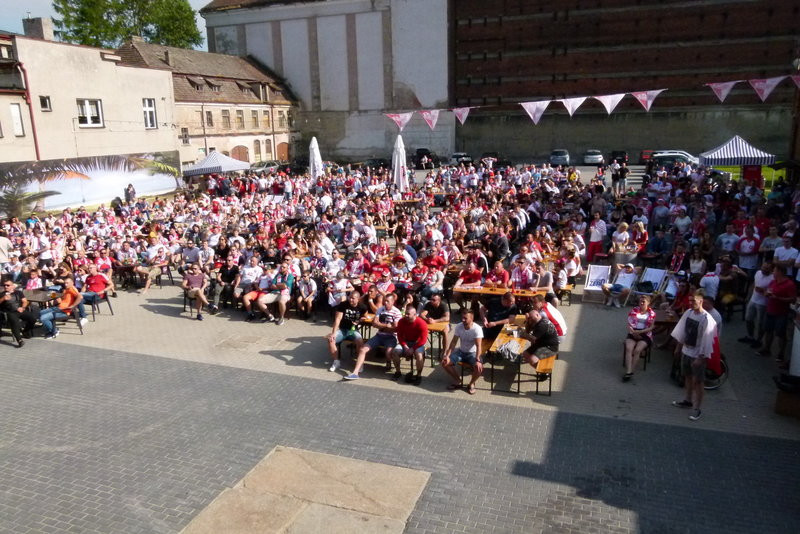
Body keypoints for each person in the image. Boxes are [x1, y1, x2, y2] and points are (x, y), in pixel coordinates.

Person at [670, 290, 717, 421]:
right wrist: (679, 347)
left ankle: (697, 408)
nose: (690, 303)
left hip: (697, 354)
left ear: (701, 301)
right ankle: (688, 400)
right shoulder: (689, 313)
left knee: (698, 381)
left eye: (693, 301)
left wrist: (700, 358)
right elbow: (682, 331)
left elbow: (707, 341)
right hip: (687, 350)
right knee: (688, 377)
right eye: (690, 301)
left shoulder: (707, 319)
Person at [345, 293, 402, 380]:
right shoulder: (380, 309)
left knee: (388, 353)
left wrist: (382, 325)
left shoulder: (397, 312)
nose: (385, 303)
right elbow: (374, 324)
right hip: (379, 336)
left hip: (391, 337)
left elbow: (395, 329)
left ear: (393, 302)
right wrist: (387, 326)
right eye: (384, 301)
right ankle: (355, 372)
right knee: (362, 349)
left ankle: (389, 362)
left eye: (387, 301)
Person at [757, 264, 796, 362]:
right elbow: (769, 292)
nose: (773, 273)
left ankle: (781, 354)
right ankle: (767, 349)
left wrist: (778, 298)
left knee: (780, 334)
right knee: (768, 330)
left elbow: (793, 299)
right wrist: (765, 293)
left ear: (780, 272)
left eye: (774, 271)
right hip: (770, 310)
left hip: (781, 313)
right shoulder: (773, 282)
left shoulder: (789, 284)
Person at [441, 310, 484, 394]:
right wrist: (447, 355)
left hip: (473, 353)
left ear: (472, 318)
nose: (463, 320)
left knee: (479, 368)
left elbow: (479, 346)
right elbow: (453, 343)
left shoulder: (477, 329)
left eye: (465, 318)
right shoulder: (459, 326)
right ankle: (458, 381)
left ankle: (471, 383)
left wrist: (478, 360)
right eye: (462, 318)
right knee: (444, 363)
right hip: (461, 351)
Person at [327, 290, 365, 373]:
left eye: (353, 298)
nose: (350, 300)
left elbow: (365, 316)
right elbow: (338, 319)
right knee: (331, 340)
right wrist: (333, 333)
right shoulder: (343, 305)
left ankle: (360, 363)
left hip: (353, 330)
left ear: (358, 299)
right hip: (343, 330)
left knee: (360, 341)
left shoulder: (362, 307)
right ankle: (336, 361)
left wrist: (359, 321)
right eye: (350, 298)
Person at [739, 261, 773, 349]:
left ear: (771, 269)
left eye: (766, 268)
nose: (764, 269)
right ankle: (750, 336)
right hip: (753, 299)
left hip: (763, 303)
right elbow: (753, 284)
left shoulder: (772, 278)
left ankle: (759, 340)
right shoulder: (758, 273)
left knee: (760, 323)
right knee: (748, 319)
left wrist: (763, 291)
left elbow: (771, 292)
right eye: (763, 267)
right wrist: (748, 296)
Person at [392, 304, 429, 384]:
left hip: (417, 343)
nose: (406, 315)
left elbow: (423, 340)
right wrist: (405, 346)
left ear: (415, 315)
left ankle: (419, 375)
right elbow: (400, 336)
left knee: (419, 355)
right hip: (406, 342)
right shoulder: (401, 321)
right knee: (395, 352)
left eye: (408, 314)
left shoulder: (421, 323)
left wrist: (413, 348)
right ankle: (398, 372)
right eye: (406, 313)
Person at [622, 295, 656, 381]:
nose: (641, 303)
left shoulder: (652, 314)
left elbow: (651, 327)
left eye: (643, 301)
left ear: (648, 303)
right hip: (633, 331)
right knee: (629, 348)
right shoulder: (634, 310)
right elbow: (629, 324)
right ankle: (629, 371)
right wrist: (634, 332)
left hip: (645, 333)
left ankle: (631, 370)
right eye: (640, 301)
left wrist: (640, 332)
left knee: (637, 350)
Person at [519, 309, 560, 378]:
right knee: (525, 354)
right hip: (541, 343)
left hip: (550, 347)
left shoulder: (542, 325)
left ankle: (544, 373)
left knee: (532, 360)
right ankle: (541, 369)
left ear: (537, 315)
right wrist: (528, 322)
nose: (530, 319)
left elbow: (532, 338)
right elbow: (529, 331)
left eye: (531, 317)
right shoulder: (539, 321)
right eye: (529, 318)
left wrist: (522, 334)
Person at [0, 279, 35, 346]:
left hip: (20, 310)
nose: (6, 287)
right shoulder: (2, 294)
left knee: (32, 319)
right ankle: (19, 340)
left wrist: (23, 308)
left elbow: (25, 301)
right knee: (15, 323)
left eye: (8, 285)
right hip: (10, 312)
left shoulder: (18, 292)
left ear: (12, 286)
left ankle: (25, 331)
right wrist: (3, 298)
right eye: (4, 285)